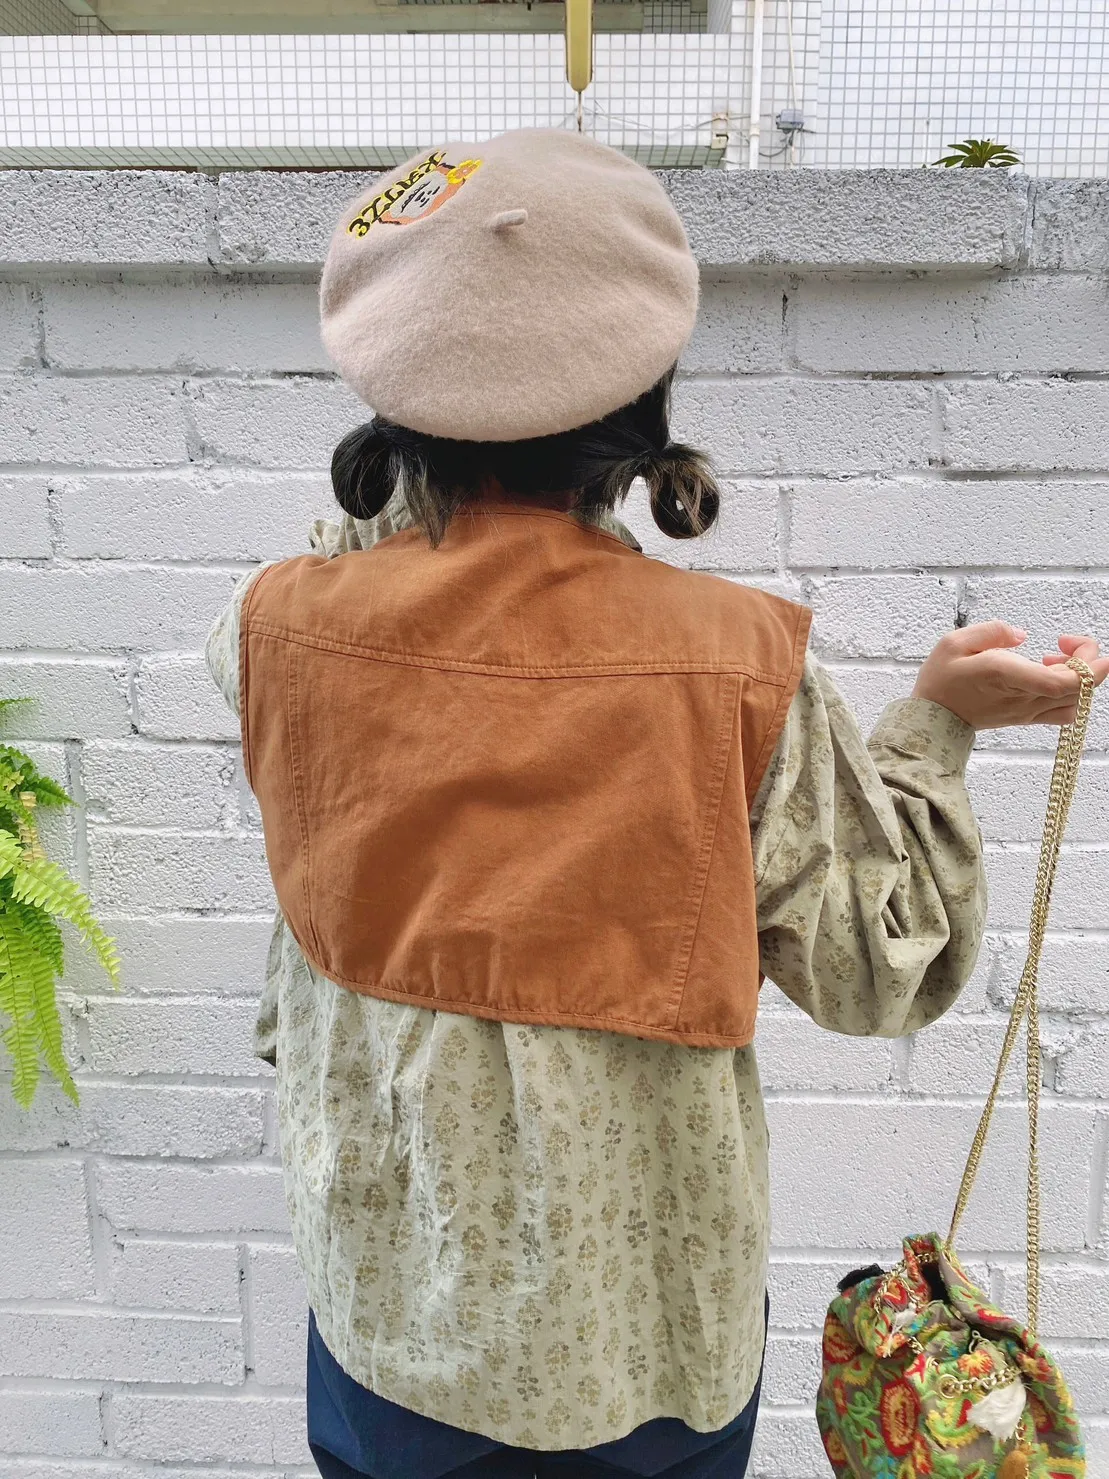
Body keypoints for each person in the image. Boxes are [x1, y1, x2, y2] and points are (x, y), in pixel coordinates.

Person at [204, 127, 1108, 1479]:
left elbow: (366, 569)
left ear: (385, 392)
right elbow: (880, 969)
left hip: (390, 1317)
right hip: (644, 1350)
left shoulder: (270, 627)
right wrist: (938, 727)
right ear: (642, 412)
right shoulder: (733, 666)